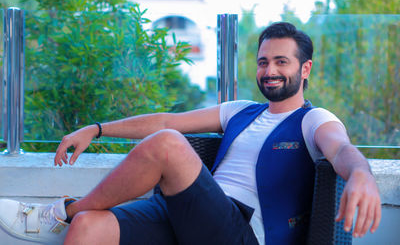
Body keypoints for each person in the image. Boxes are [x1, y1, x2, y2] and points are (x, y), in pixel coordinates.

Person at [0, 22, 381, 245]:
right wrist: (97, 129)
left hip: (240, 230)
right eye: (263, 62)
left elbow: (341, 149)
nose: (270, 71)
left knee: (167, 147)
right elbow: (166, 120)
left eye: (282, 62)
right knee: (89, 229)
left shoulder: (312, 119)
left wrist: (361, 174)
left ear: (305, 69)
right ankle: (75, 217)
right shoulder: (239, 111)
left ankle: (59, 212)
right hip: (188, 213)